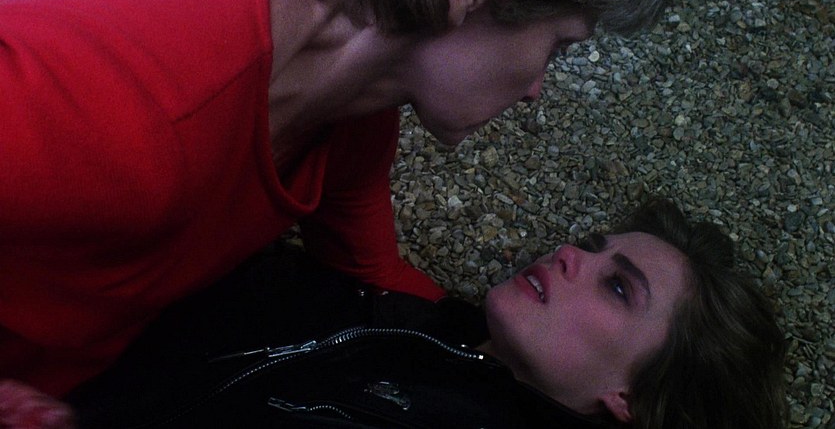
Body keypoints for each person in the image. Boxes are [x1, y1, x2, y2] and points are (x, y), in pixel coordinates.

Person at [0, 0, 674, 400]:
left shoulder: (356, 122)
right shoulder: (105, 109)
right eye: (556, 47)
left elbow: (371, 270)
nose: (535, 91)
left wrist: (545, 369)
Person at [53, 199, 784, 429]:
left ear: (630, 398)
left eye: (618, 288)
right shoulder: (443, 333)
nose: (570, 254)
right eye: (593, 248)